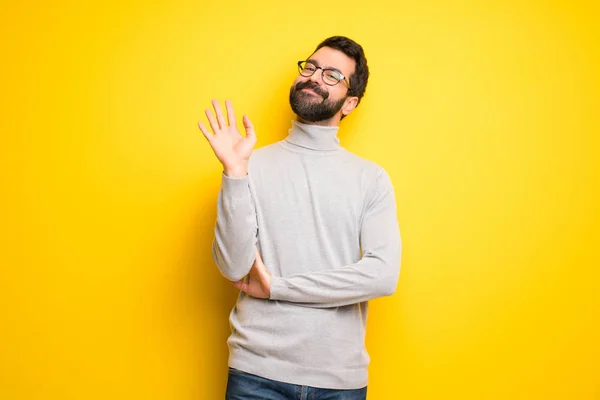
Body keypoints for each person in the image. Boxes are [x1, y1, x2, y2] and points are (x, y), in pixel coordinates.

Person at [198, 36, 401, 400]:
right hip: (255, 372)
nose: (314, 77)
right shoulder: (250, 164)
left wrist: (278, 288)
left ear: (350, 102)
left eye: (331, 74)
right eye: (310, 67)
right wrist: (233, 173)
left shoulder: (370, 178)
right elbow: (232, 267)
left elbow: (383, 276)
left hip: (339, 380)